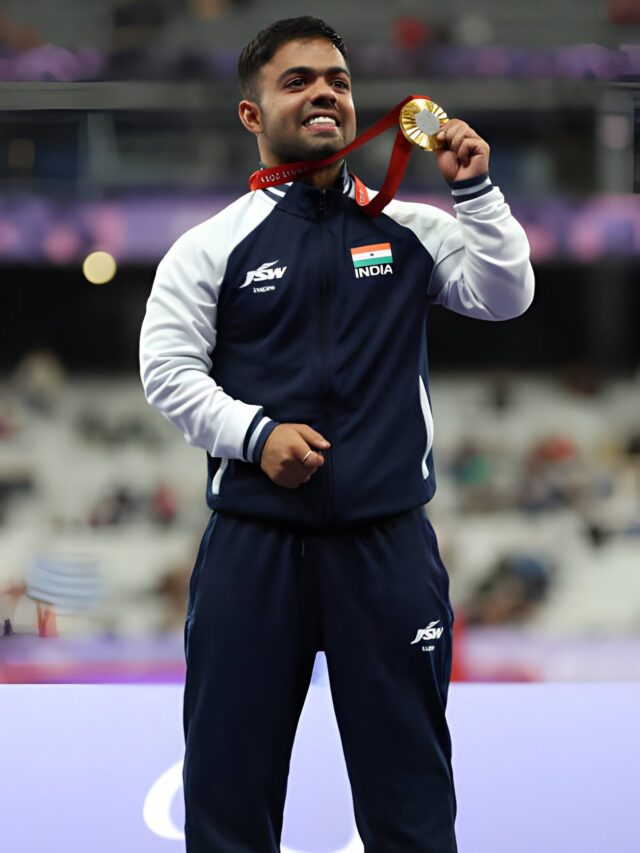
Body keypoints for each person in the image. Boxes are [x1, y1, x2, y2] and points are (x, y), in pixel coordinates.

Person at [139, 16, 534, 853]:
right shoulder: (209, 247)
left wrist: (475, 190)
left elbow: (507, 295)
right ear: (252, 116)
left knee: (412, 809)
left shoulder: (414, 228)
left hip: (388, 550)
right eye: (298, 81)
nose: (326, 92)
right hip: (254, 548)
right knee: (228, 803)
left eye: (339, 81)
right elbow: (168, 372)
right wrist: (255, 434)